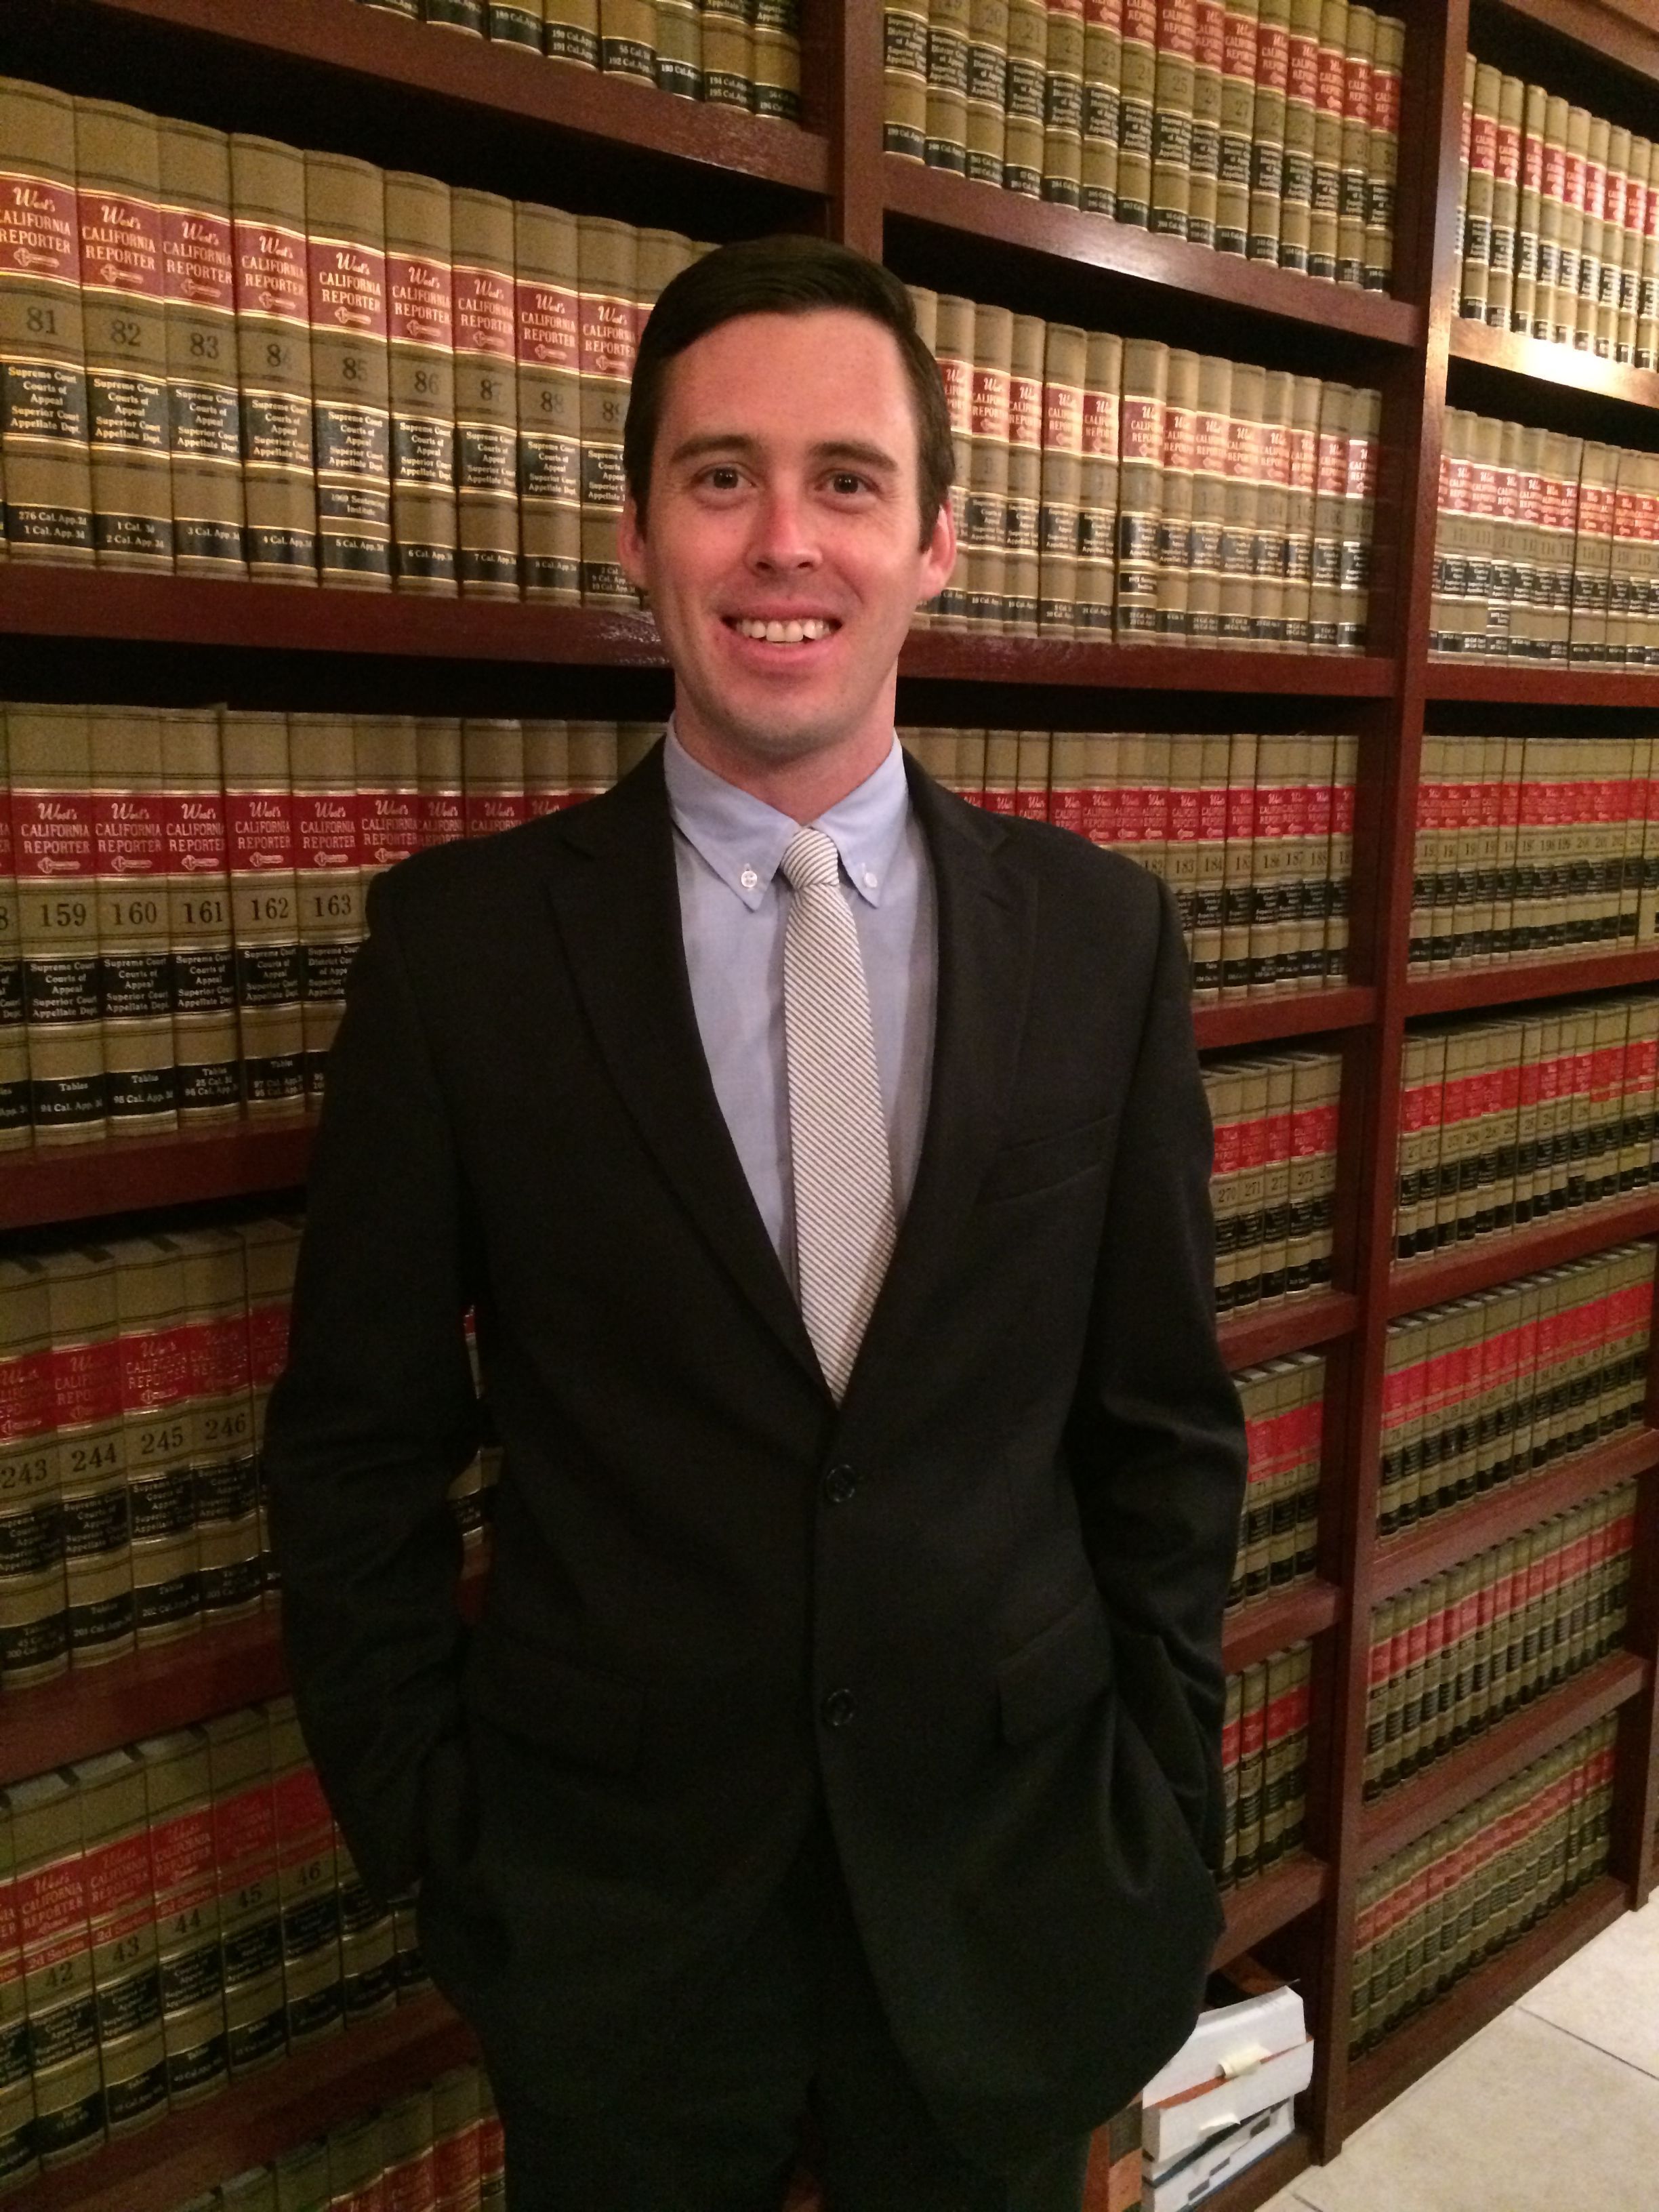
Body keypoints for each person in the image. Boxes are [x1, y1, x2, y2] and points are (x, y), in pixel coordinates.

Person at [264, 234, 1248, 2212]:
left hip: (1018, 1890)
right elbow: (356, 1451)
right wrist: (442, 1845)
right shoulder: (458, 955)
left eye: (846, 481)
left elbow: (1162, 1429)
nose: (783, 540)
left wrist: (1163, 1795)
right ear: (639, 535)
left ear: (936, 540)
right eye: (721, 477)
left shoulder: (1103, 939)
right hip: (610, 1938)